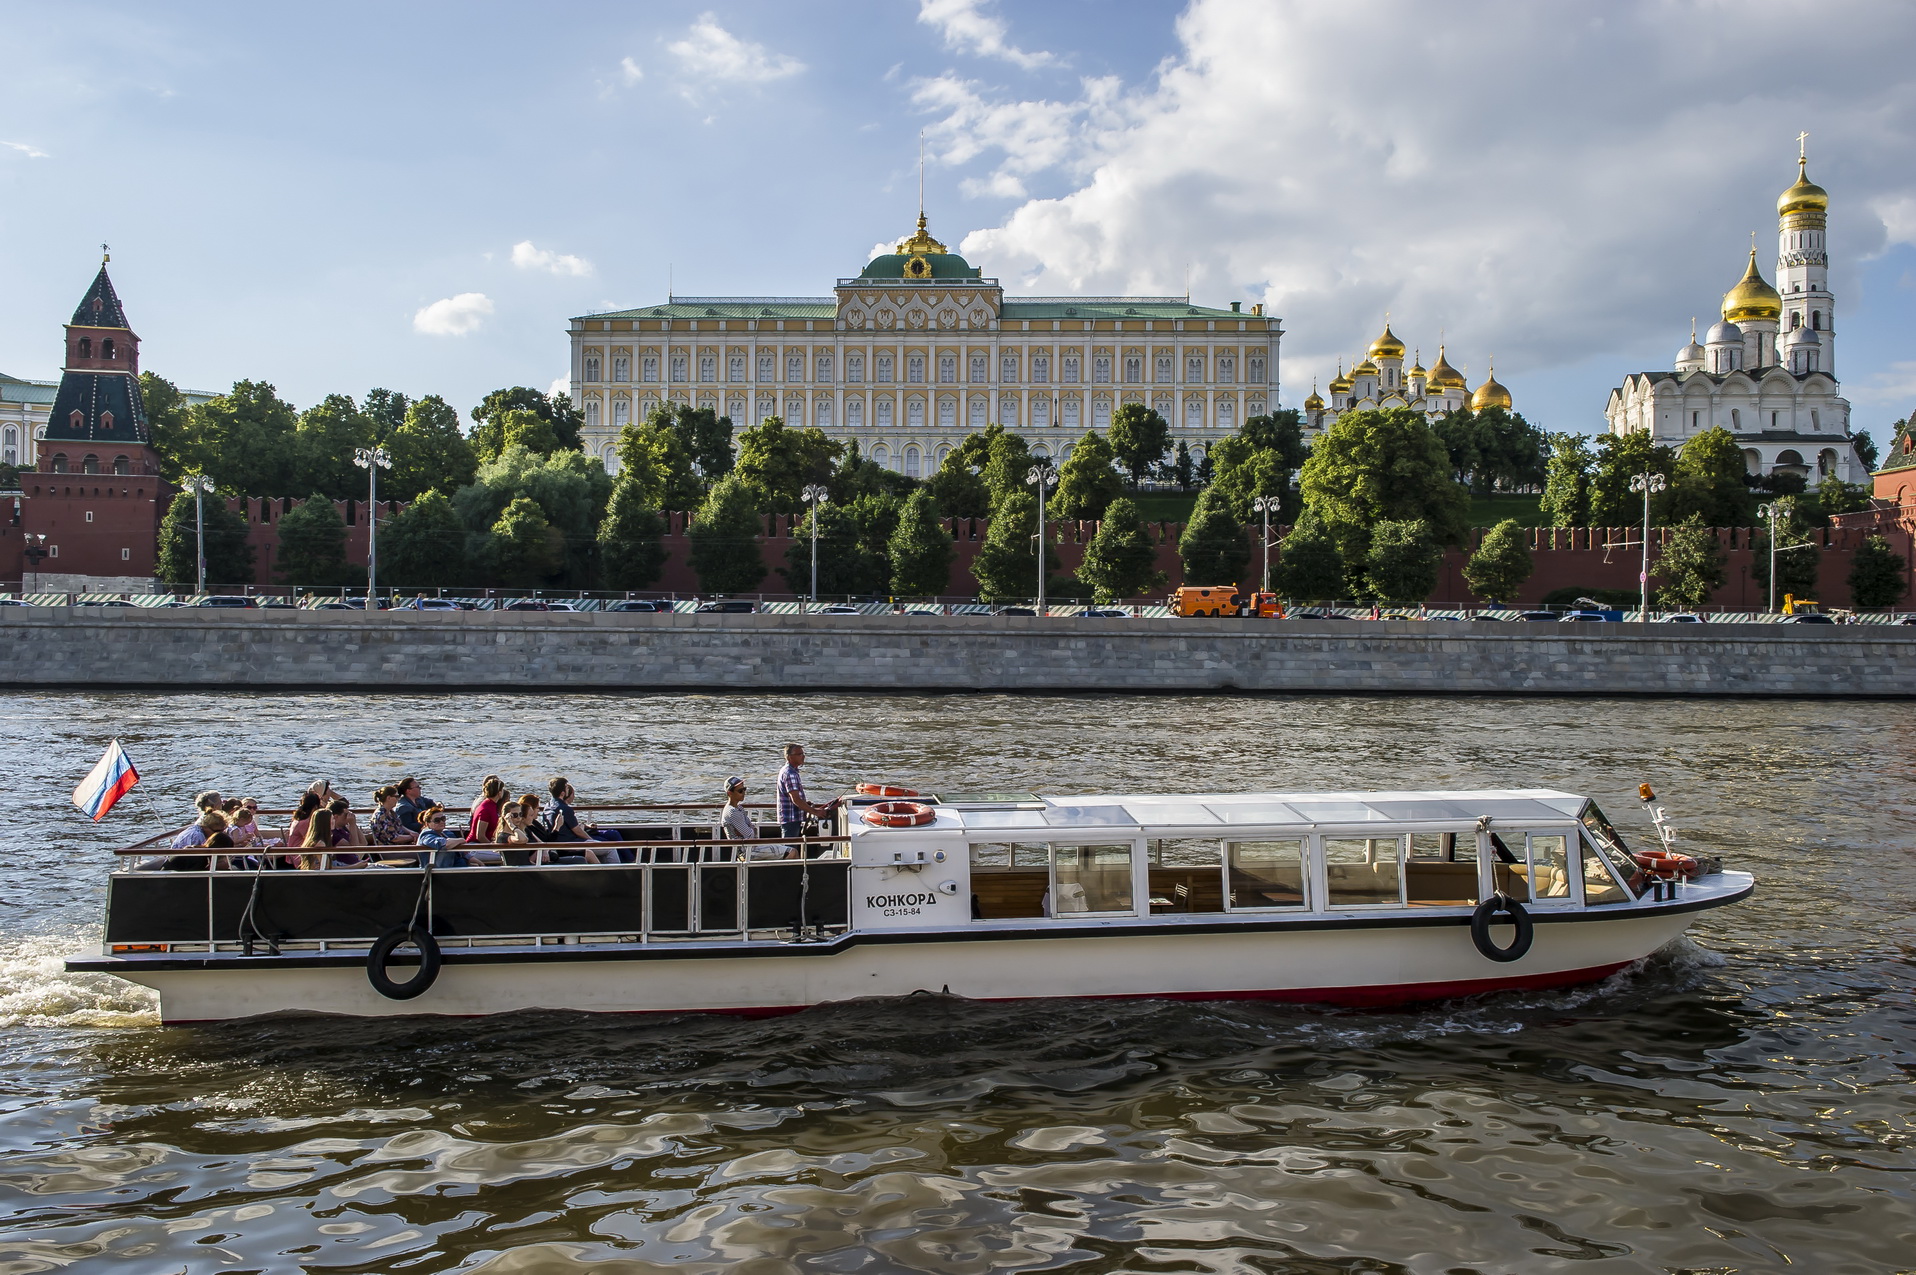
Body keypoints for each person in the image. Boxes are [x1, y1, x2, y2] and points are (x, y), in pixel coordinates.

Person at [776, 744, 837, 853]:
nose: (803, 756)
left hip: (792, 817)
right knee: (789, 851)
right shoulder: (790, 773)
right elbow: (795, 799)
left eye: (803, 753)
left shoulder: (791, 771)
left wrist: (805, 804)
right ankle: (788, 868)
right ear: (790, 757)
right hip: (791, 818)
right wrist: (815, 812)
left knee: (791, 849)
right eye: (799, 754)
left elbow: (795, 798)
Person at [719, 776, 786, 860]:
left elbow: (753, 830)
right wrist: (750, 830)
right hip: (746, 851)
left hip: (751, 847)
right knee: (791, 852)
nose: (743, 793)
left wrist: (748, 830)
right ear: (730, 793)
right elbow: (750, 835)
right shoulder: (732, 812)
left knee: (787, 849)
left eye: (744, 789)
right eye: (740, 791)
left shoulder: (739, 808)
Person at [469, 776, 507, 845]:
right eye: (502, 789)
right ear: (499, 792)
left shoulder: (491, 805)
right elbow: (480, 836)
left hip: (483, 844)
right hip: (475, 845)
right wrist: (493, 848)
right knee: (504, 855)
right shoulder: (486, 809)